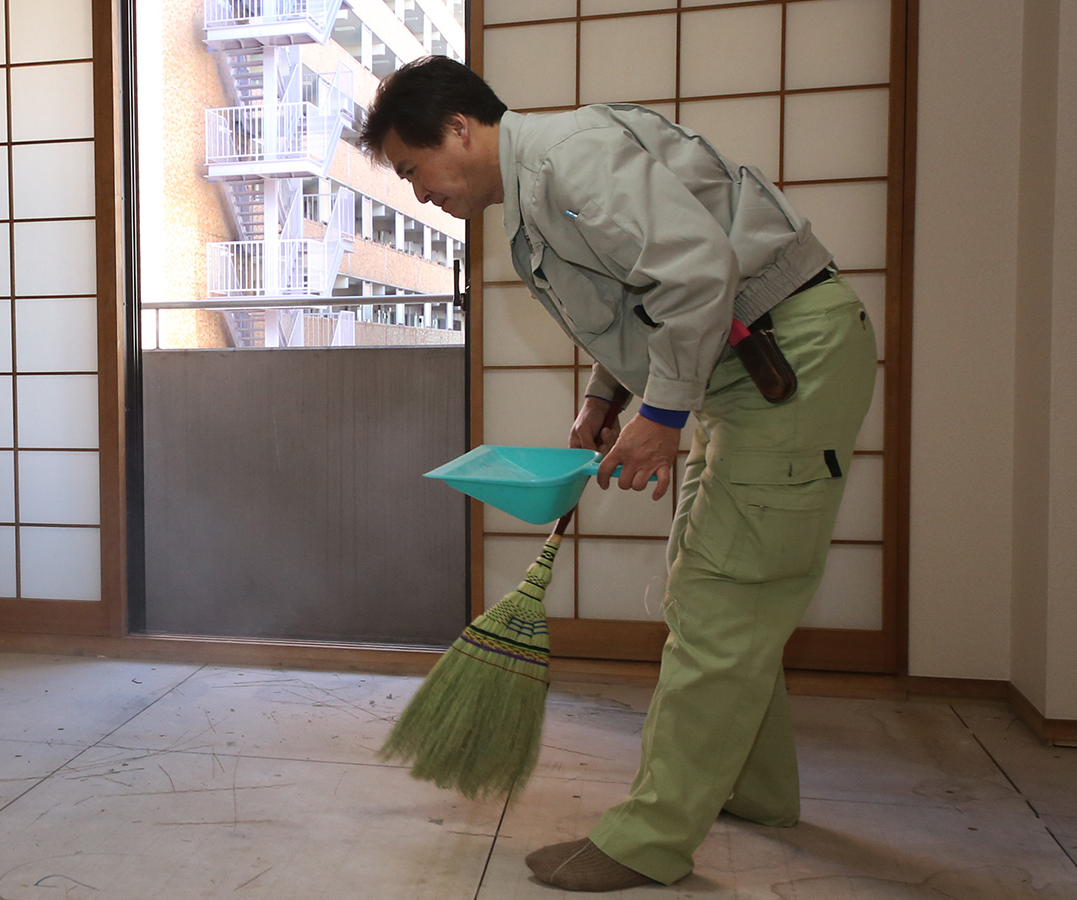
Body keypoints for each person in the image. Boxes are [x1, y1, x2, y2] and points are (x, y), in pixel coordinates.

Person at [360, 56, 877, 892]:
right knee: (719, 593)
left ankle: (652, 838)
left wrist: (663, 416)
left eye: (413, 170)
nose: (419, 194)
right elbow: (642, 296)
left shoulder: (570, 160)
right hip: (736, 366)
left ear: (458, 128)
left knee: (724, 597)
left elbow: (698, 273)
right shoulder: (539, 185)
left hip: (782, 359)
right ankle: (755, 789)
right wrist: (609, 395)